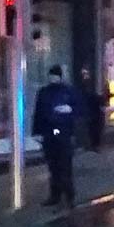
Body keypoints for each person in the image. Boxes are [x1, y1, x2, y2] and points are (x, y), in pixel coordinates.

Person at [32, 65, 80, 207]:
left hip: (63, 132)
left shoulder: (68, 91)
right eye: (51, 76)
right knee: (53, 166)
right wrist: (37, 132)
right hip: (49, 133)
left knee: (65, 166)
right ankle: (55, 195)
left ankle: (69, 196)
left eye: (54, 76)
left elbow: (79, 109)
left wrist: (69, 109)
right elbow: (38, 113)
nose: (52, 78)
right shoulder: (44, 92)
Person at [79, 66, 105, 152]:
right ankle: (93, 145)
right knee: (93, 129)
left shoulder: (91, 85)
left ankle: (93, 145)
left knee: (93, 129)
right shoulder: (88, 86)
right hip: (92, 112)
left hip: (93, 112)